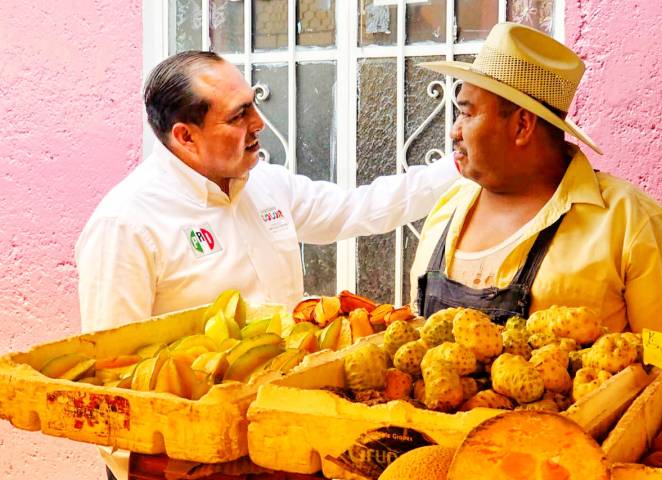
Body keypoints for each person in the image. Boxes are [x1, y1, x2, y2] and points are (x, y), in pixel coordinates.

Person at [75, 51, 458, 480]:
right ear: (185, 136)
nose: (259, 123)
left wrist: (461, 167)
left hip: (278, 441)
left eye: (254, 105)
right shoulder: (127, 223)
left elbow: (359, 208)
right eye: (238, 116)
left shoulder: (265, 185)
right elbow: (111, 373)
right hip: (184, 461)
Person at [410, 22, 662, 339]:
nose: (454, 131)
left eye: (467, 114)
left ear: (522, 125)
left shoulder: (634, 226)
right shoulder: (449, 206)